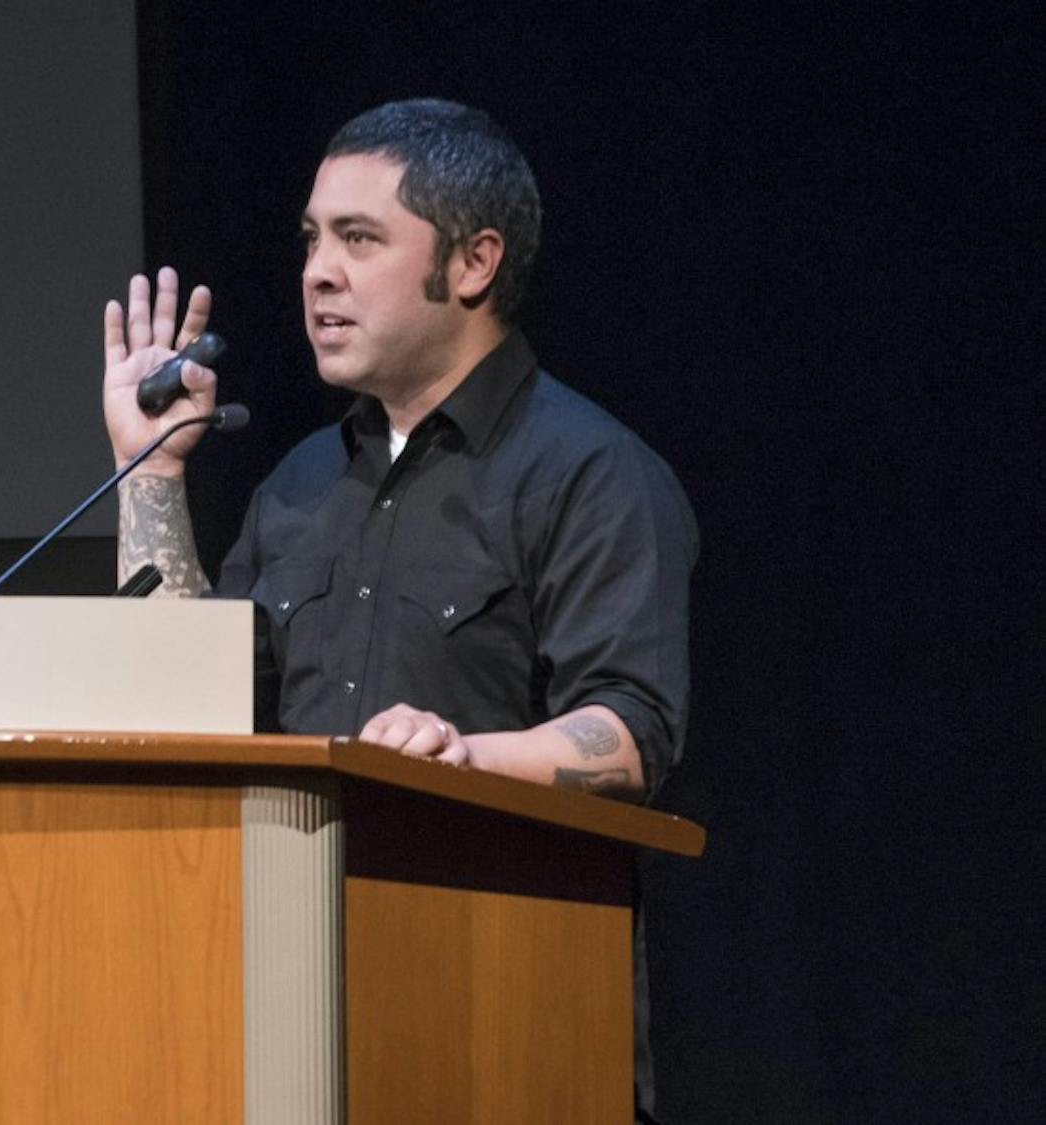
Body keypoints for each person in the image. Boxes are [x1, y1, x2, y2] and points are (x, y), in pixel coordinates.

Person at [101, 98, 696, 1118]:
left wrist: (460, 759)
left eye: (359, 239)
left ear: (472, 264)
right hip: (282, 1026)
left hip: (505, 1023)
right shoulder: (295, 486)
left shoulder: (591, 474)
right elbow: (182, 707)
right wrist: (145, 474)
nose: (317, 271)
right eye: (311, 240)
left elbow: (631, 736)